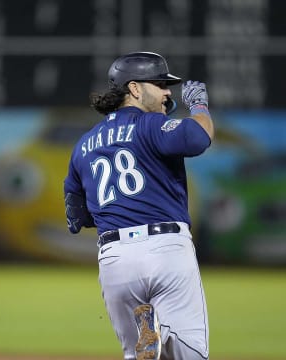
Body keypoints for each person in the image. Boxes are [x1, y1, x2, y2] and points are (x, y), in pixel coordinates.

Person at [63, 52, 213, 360]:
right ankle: (165, 332)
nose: (168, 91)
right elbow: (198, 138)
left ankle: (152, 331)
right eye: (159, 84)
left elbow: (76, 216)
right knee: (191, 355)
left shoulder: (83, 145)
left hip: (115, 260)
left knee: (135, 356)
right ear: (134, 89)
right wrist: (199, 107)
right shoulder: (151, 125)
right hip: (165, 249)